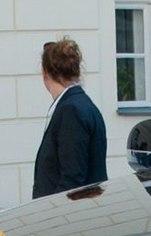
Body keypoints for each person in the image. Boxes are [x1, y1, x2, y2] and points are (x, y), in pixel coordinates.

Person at [33, 38, 107, 199]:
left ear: (45, 72)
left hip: (66, 217)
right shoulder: (82, 104)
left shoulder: (70, 109)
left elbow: (72, 179)